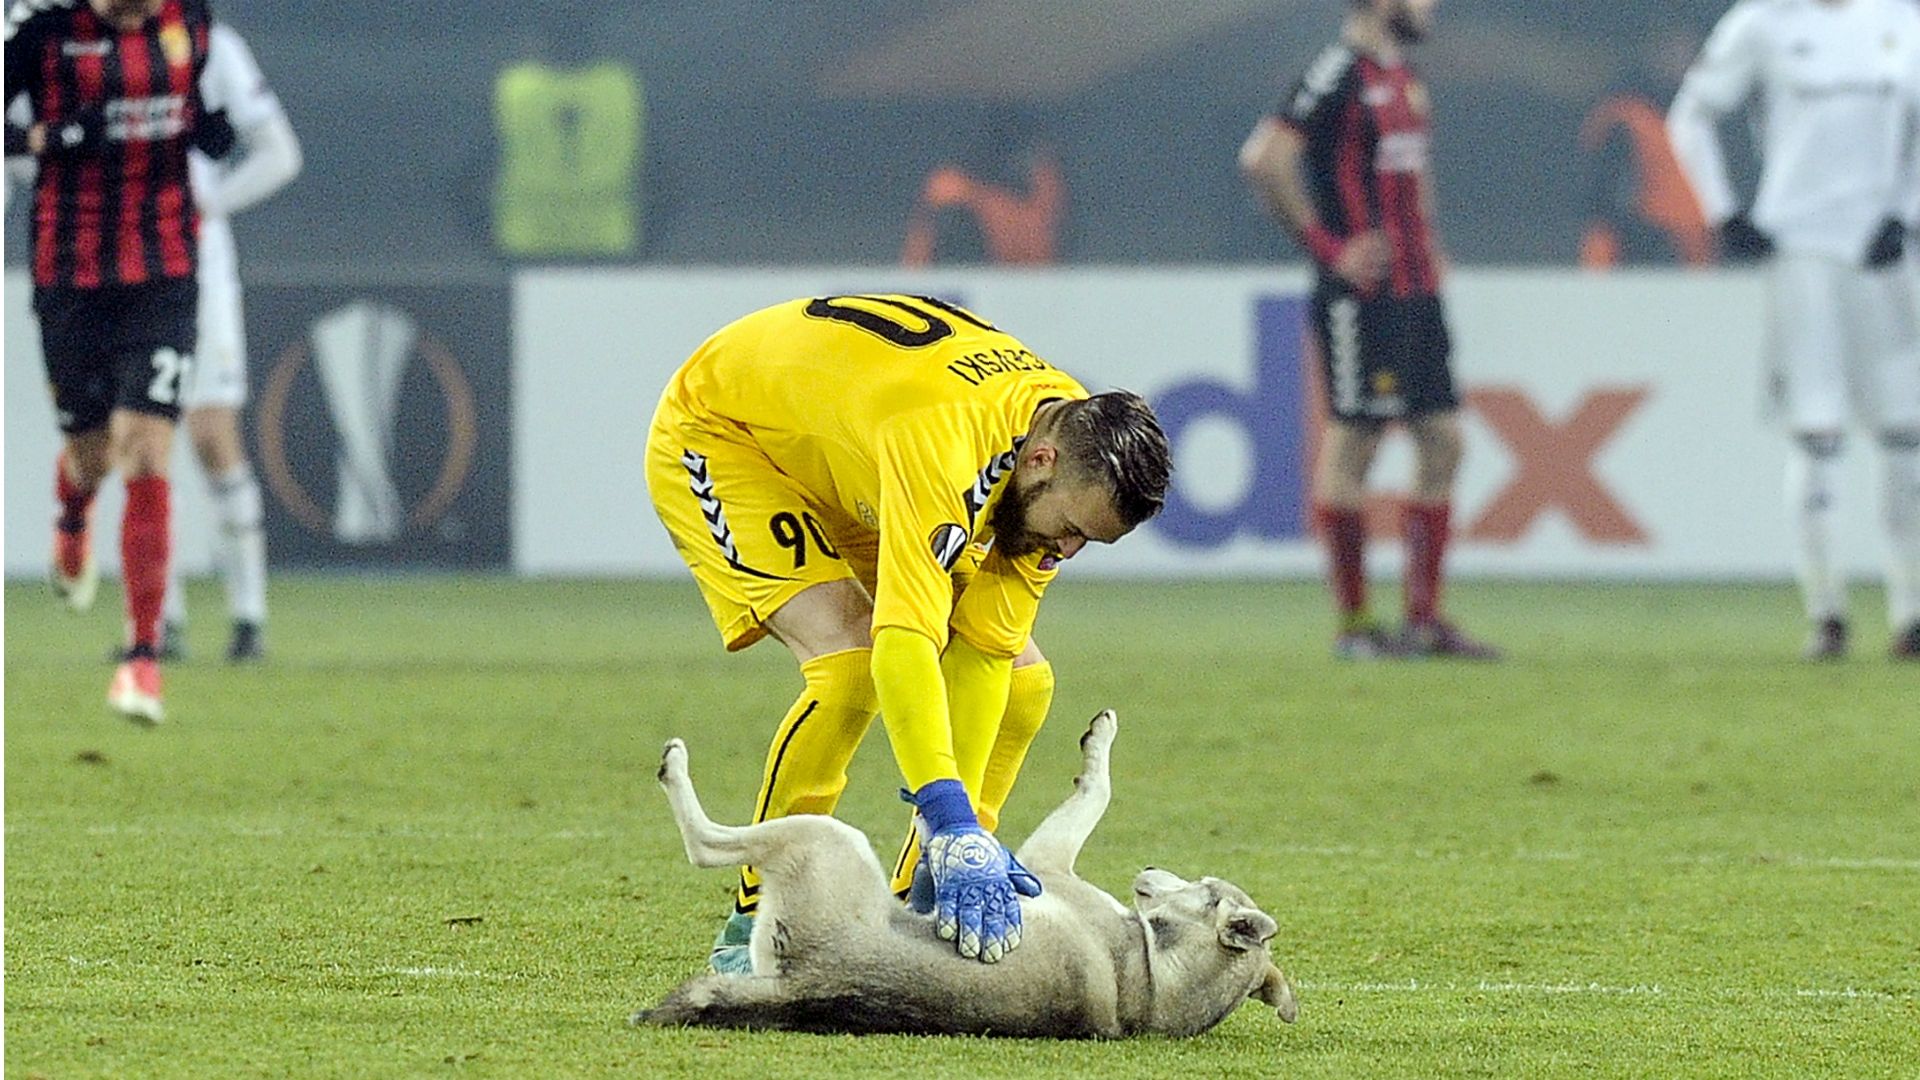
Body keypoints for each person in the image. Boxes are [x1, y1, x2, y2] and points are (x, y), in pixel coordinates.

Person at [645, 294, 1171, 971]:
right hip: (727, 433)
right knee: (851, 665)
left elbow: (985, 647)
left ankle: (914, 904)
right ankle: (762, 923)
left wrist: (956, 842)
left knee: (1024, 681)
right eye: (1071, 528)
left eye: (1089, 542)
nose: (1066, 551)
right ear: (1040, 460)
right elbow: (906, 641)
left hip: (847, 454)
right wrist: (948, 812)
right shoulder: (948, 444)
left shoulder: (1064, 441)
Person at [1238, 0, 1498, 660]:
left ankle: (1422, 621)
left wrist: (1431, 246)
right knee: (1355, 441)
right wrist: (1329, 248)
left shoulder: (1404, 78)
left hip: (1416, 293)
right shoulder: (1337, 72)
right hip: (1363, 296)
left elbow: (1414, 178)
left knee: (1443, 442)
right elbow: (1265, 157)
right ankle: (1354, 628)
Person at [1668, 0, 1920, 660]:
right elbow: (1690, 116)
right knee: (1817, 433)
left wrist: (1906, 209)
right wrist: (1723, 213)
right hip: (1802, 251)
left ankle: (1911, 612)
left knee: (1905, 434)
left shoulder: (1901, 17)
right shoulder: (1764, 22)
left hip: (1881, 253)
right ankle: (1826, 611)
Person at [6, 0, 220, 722]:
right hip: (69, 272)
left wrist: (209, 128)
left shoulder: (190, 18)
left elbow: (201, 103)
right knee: (93, 457)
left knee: (149, 453)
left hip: (165, 267)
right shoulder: (38, 28)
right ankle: (73, 511)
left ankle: (141, 660)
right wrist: (47, 136)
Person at [154, 19, 302, 663]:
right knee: (140, 439)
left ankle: (248, 618)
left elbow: (279, 151)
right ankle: (157, 622)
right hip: (113, 264)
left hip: (195, 265)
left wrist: (209, 205)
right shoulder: (75, 42)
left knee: (211, 434)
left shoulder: (209, 45)